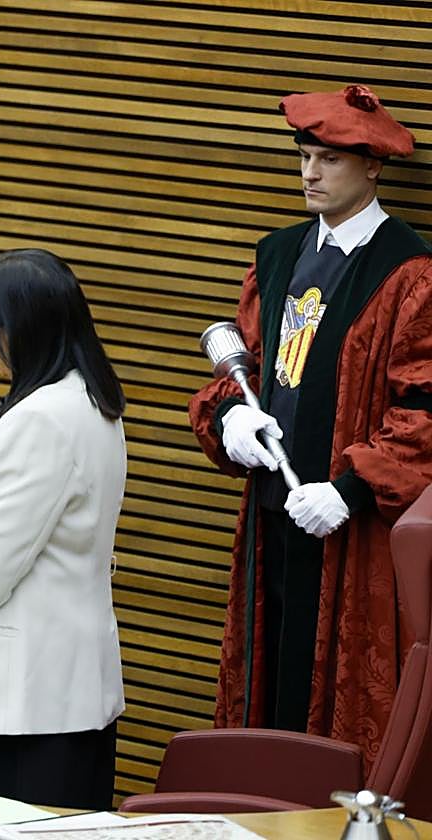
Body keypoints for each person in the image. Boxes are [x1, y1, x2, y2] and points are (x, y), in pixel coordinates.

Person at [189, 84, 432, 766]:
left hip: (349, 532)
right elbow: (246, 363)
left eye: (329, 159)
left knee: (330, 702)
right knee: (265, 690)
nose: (310, 173)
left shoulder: (410, 271)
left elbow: (423, 412)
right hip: (270, 518)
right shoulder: (278, 255)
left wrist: (350, 489)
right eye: (304, 156)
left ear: (372, 166)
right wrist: (232, 416)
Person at [0, 249, 127, 808]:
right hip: (71, 686)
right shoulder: (94, 402)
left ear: (22, 329)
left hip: (30, 698)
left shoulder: (40, 418)